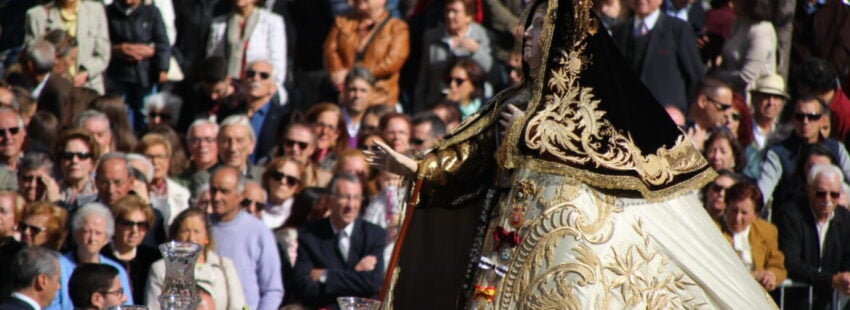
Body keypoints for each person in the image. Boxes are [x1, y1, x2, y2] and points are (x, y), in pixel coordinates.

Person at [371, 1, 774, 308]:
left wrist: (528, 133)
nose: (528, 34)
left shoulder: (588, 109)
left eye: (542, 26)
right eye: (529, 25)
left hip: (565, 253)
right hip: (503, 242)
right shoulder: (513, 97)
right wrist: (415, 166)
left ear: (564, 39)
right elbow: (468, 152)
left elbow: (605, 162)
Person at [292, 173, 386, 308]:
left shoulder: (374, 235)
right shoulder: (310, 235)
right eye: (344, 197)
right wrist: (356, 276)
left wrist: (325, 275)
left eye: (356, 198)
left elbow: (373, 283)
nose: (351, 205)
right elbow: (303, 286)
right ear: (330, 199)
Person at [775, 164, 850, 309]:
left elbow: (848, 256)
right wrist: (832, 280)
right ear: (808, 190)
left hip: (828, 301)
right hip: (794, 301)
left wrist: (846, 277)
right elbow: (791, 262)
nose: (827, 199)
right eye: (821, 193)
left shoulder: (845, 218)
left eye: (834, 194)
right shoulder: (789, 215)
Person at [209, 167, 283, 310]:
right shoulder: (201, 227)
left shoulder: (258, 231)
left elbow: (272, 289)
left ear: (241, 195)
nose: (217, 197)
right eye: (213, 190)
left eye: (224, 191)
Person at [610, 0, 704, 111]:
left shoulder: (678, 29)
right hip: (627, 112)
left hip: (667, 115)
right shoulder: (619, 31)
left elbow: (695, 76)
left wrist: (685, 114)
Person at [146, 208, 246, 310]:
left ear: (207, 237)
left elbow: (237, 305)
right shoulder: (161, 269)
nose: (191, 238)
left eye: (197, 231)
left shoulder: (224, 266)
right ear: (176, 236)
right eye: (185, 231)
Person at [757, 95, 850, 205]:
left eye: (812, 117)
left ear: (822, 120)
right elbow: (762, 193)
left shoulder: (837, 149)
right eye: (800, 117)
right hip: (789, 216)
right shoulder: (778, 153)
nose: (805, 122)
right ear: (792, 120)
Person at [324, 0, 409, 106]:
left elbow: (392, 62)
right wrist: (339, 74)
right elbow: (330, 51)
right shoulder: (342, 22)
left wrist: (355, 75)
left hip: (380, 98)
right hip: (346, 96)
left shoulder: (397, 28)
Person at [51, 203, 133, 310]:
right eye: (86, 232)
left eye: (98, 233)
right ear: (76, 234)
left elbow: (126, 305)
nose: (92, 238)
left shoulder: (117, 271)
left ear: (106, 238)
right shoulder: (57, 266)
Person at [105, 0, 170, 132]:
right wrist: (118, 49)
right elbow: (103, 40)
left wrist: (162, 68)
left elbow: (163, 43)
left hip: (145, 74)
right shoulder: (109, 12)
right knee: (121, 112)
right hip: (119, 73)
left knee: (145, 111)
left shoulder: (152, 13)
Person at [415, 0, 493, 111]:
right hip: (437, 106)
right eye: (447, 11)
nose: (450, 16)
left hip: (474, 108)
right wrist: (420, 110)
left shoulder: (482, 36)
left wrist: (477, 50)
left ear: (469, 16)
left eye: (455, 12)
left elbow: (494, 75)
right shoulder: (432, 37)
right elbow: (423, 79)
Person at [24, 0, 110, 93]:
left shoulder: (95, 10)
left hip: (89, 87)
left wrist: (86, 73)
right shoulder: (38, 15)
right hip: (53, 90)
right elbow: (34, 57)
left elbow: (103, 55)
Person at [206, 0, 287, 98]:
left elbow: (277, 67)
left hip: (260, 92)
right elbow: (213, 64)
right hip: (228, 93)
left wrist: (264, 91)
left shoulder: (272, 22)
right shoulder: (219, 24)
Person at [719, 181, 786, 292]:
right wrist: (753, 276)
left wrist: (771, 275)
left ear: (755, 215)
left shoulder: (767, 231)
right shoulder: (716, 230)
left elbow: (777, 265)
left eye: (744, 213)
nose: (737, 218)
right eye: (734, 210)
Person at [100, 195, 160, 304]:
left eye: (141, 225)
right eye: (128, 224)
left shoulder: (153, 258)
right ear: (115, 225)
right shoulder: (101, 256)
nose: (134, 230)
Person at [716, 0, 777, 94]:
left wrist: (718, 76)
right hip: (729, 89)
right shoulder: (738, 22)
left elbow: (747, 76)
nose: (730, 3)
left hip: (751, 95)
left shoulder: (761, 30)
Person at [136, 134, 191, 227]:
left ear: (168, 160)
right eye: (150, 157)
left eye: (160, 156)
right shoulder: (134, 190)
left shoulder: (182, 193)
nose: (155, 162)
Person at [176, 119, 219, 195]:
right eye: (196, 140)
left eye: (208, 139)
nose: (202, 145)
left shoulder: (227, 176)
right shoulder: (178, 182)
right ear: (188, 145)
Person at [218, 115, 264, 182]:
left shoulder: (263, 178)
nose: (232, 148)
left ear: (252, 146)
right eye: (226, 141)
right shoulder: (206, 178)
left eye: (240, 140)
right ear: (218, 145)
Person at [260, 157, 302, 230]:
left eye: (291, 180)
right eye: (278, 175)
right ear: (267, 178)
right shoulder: (251, 204)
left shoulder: (297, 216)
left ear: (298, 187)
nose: (283, 181)